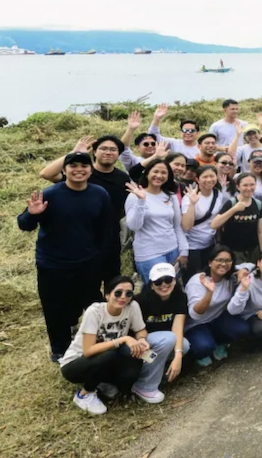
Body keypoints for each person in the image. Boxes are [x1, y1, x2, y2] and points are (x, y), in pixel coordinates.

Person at [19, 152, 115, 361]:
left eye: (84, 165)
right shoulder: (51, 194)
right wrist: (32, 214)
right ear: (64, 170)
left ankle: (98, 340)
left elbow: (106, 229)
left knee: (93, 305)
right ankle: (59, 348)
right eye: (73, 166)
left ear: (91, 170)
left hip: (87, 263)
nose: (79, 170)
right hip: (52, 264)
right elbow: (24, 225)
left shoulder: (100, 194)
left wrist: (99, 256)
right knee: (55, 308)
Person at [38, 135, 130, 290]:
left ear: (118, 154)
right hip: (83, 239)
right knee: (85, 287)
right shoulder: (80, 173)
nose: (108, 152)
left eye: (113, 149)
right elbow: (46, 174)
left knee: (112, 282)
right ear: (94, 151)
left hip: (110, 238)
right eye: (103, 148)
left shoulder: (122, 178)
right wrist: (74, 152)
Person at [58, 275, 149, 414]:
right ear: (107, 295)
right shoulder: (95, 311)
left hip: (108, 359)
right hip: (76, 364)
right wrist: (122, 339)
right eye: (118, 293)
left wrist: (141, 340)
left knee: (138, 354)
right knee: (110, 353)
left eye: (128, 293)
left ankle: (114, 385)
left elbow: (140, 330)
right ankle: (84, 394)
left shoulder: (132, 306)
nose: (123, 297)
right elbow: (88, 351)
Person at [125, 159, 188, 286]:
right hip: (149, 253)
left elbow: (176, 225)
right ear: (147, 173)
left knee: (171, 288)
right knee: (154, 290)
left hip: (172, 250)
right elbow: (134, 226)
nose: (159, 176)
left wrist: (184, 250)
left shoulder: (170, 195)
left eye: (164, 173)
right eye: (155, 171)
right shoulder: (135, 196)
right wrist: (141, 201)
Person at [133, 263, 190, 403]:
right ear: (152, 284)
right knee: (169, 339)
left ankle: (159, 374)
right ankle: (144, 385)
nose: (164, 285)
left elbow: (178, 327)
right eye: (158, 281)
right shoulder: (141, 301)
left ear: (175, 280)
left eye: (168, 280)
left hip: (162, 343)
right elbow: (135, 331)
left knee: (184, 345)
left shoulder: (180, 297)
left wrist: (178, 356)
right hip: (140, 346)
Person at [184, 245, 249, 366]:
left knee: (242, 328)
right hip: (196, 324)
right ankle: (200, 353)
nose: (223, 264)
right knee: (204, 346)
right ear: (210, 262)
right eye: (219, 260)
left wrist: (242, 270)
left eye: (227, 260)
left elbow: (249, 267)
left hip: (216, 318)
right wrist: (209, 293)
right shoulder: (197, 281)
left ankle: (220, 343)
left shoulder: (228, 278)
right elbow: (195, 315)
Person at [211, 172, 262, 265]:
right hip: (233, 251)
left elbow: (260, 231)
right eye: (245, 185)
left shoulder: (258, 204)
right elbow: (214, 224)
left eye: (252, 185)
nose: (249, 188)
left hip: (252, 250)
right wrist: (234, 209)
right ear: (238, 187)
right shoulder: (231, 203)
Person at [181, 166, 224, 281]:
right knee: (192, 278)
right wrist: (192, 204)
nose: (209, 179)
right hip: (192, 246)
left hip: (210, 244)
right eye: (205, 177)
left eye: (212, 176)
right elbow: (186, 226)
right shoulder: (189, 197)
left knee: (208, 276)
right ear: (197, 179)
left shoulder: (218, 194)